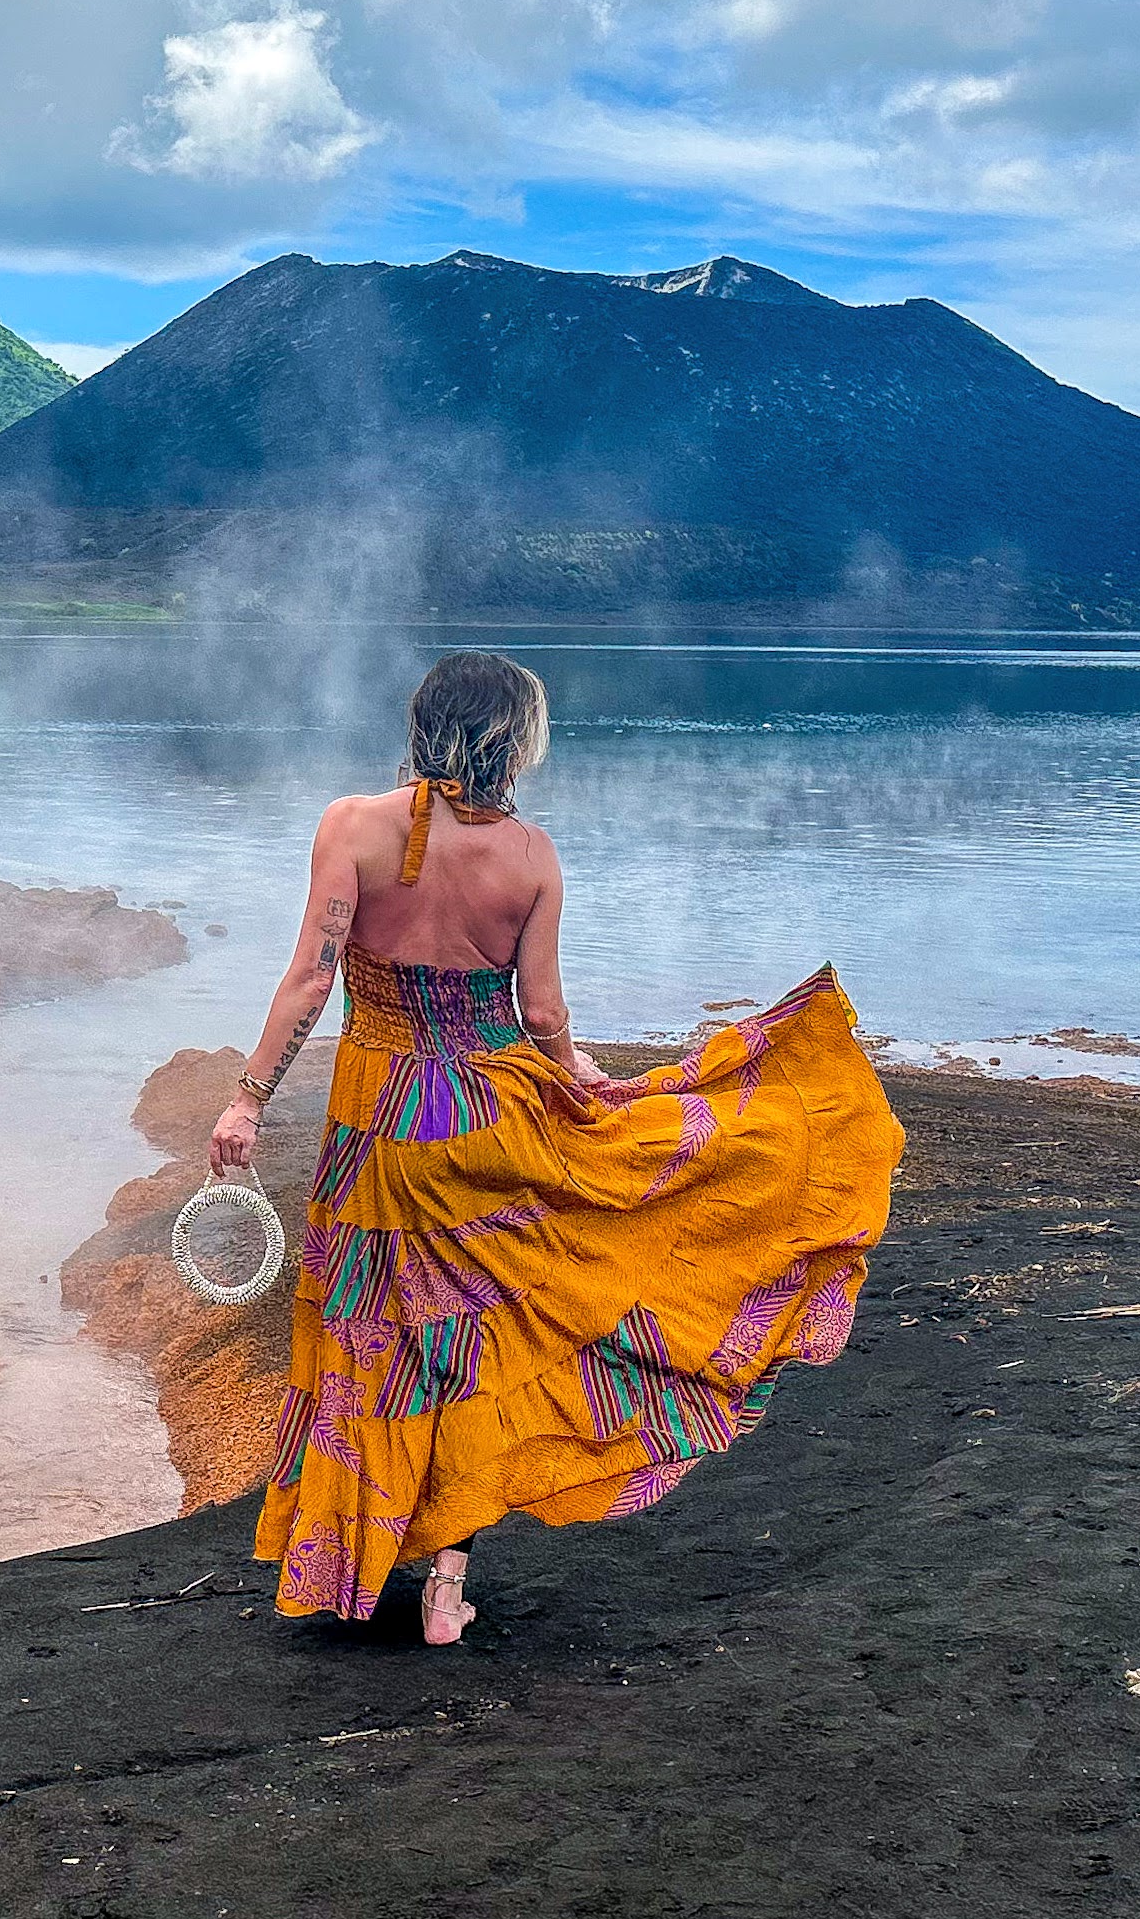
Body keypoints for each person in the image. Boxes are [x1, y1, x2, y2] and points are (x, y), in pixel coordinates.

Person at [211, 650, 904, 1645]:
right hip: (492, 1113)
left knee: (375, 1333)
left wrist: (247, 1101)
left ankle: (351, 1554)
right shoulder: (531, 856)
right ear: (511, 741)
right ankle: (446, 1585)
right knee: (481, 1339)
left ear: (424, 722)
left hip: (379, 1124)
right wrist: (574, 1072)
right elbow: (539, 1011)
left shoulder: (351, 825)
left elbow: (313, 981)